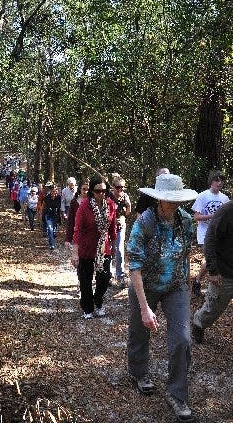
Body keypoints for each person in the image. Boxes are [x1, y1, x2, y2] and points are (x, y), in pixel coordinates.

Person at [127, 173, 197, 423]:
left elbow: (186, 256)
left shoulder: (187, 221)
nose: (174, 205)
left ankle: (177, 394)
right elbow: (134, 265)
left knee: (182, 339)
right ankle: (139, 373)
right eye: (169, 200)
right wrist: (145, 308)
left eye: (177, 200)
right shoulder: (144, 223)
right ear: (158, 200)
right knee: (139, 330)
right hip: (145, 285)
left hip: (176, 286)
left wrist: (188, 286)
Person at [71, 174, 117, 319]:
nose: (101, 194)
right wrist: (75, 252)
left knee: (104, 278)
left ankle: (98, 300)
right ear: (92, 191)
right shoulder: (84, 207)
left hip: (104, 248)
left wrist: (114, 246)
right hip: (86, 249)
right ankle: (87, 307)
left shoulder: (110, 205)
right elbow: (77, 230)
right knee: (85, 280)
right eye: (97, 191)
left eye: (103, 190)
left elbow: (112, 228)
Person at [192, 199, 233, 344]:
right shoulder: (225, 212)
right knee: (214, 307)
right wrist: (213, 271)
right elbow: (209, 241)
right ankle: (198, 323)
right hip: (224, 271)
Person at [191, 170, 229, 296]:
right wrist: (213, 216)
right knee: (212, 258)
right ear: (211, 182)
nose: (220, 183)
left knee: (214, 259)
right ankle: (203, 284)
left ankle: (198, 281)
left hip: (220, 235)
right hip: (204, 234)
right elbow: (196, 217)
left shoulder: (225, 198)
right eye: (217, 180)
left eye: (221, 180)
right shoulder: (203, 196)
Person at [109, 176, 131, 287]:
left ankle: (120, 275)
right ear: (113, 187)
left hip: (120, 225)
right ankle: (108, 275)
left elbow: (127, 213)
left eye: (122, 187)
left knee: (119, 250)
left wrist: (128, 205)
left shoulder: (125, 196)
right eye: (117, 187)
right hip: (108, 226)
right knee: (108, 250)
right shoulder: (108, 196)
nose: (120, 190)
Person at [65, 178, 90, 248]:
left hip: (90, 234)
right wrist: (68, 239)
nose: (86, 191)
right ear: (80, 189)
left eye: (88, 189)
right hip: (78, 233)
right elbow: (70, 221)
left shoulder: (93, 201)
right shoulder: (74, 202)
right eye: (84, 189)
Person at [42, 184, 61, 250]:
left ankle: (51, 239)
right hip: (48, 215)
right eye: (53, 191)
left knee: (53, 231)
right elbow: (44, 207)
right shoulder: (47, 197)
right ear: (51, 191)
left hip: (55, 216)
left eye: (56, 191)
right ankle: (52, 244)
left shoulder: (59, 198)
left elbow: (59, 207)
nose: (54, 192)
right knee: (50, 229)